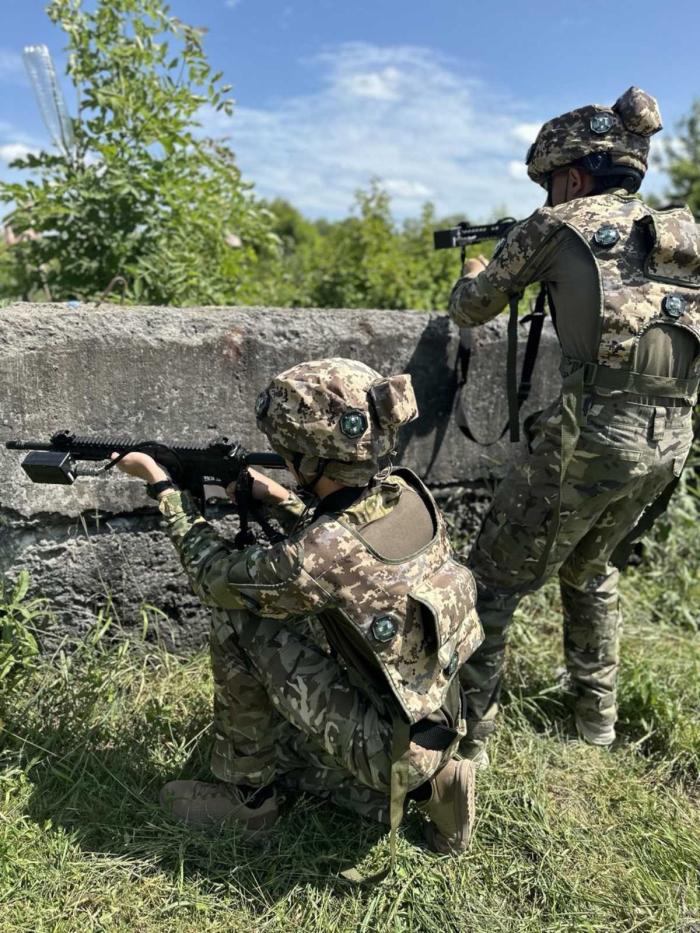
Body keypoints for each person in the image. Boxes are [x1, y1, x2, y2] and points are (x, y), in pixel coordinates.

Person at [113, 358, 484, 856]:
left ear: (312, 459)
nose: (282, 459)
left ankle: (247, 799)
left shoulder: (316, 557)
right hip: (438, 718)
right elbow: (341, 547)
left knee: (239, 618)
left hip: (386, 745)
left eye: (287, 452)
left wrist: (164, 490)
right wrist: (279, 498)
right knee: (293, 748)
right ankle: (434, 783)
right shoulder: (407, 493)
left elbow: (214, 577)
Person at [448, 87, 699, 764]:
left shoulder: (558, 224)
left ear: (577, 176)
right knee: (593, 568)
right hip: (670, 441)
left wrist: (473, 269)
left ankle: (470, 741)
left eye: (550, 182)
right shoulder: (682, 234)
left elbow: (472, 307)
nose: (548, 195)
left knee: (491, 580)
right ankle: (597, 727)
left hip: (592, 436)